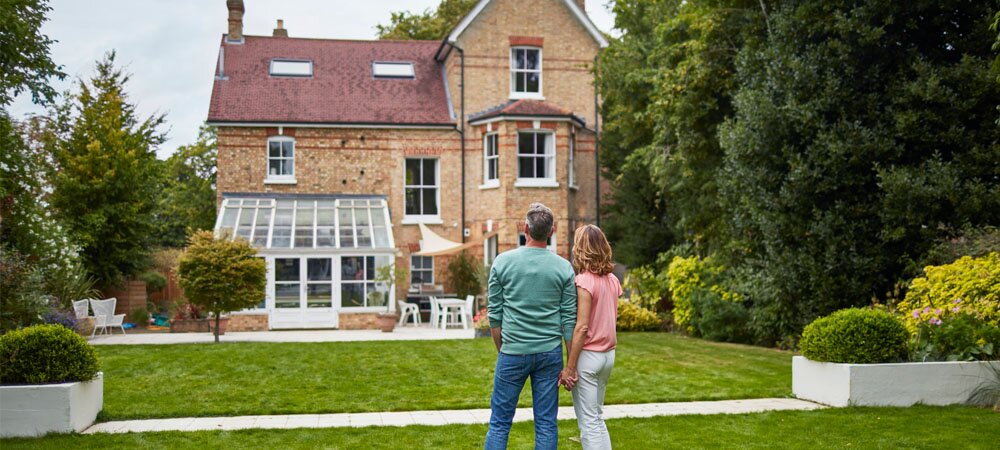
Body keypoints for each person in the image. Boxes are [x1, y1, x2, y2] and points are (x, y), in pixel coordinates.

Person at [484, 203, 577, 450]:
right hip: (549, 354)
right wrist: (570, 365)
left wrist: (502, 348)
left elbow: (494, 316)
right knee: (546, 423)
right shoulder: (564, 267)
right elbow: (569, 320)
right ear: (552, 232)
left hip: (512, 352)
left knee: (500, 423)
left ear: (525, 229)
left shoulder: (502, 262)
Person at [560, 224, 621, 450]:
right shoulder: (613, 280)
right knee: (596, 417)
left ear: (581, 248)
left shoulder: (584, 281)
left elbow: (582, 327)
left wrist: (570, 367)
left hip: (589, 358)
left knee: (588, 422)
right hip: (608, 357)